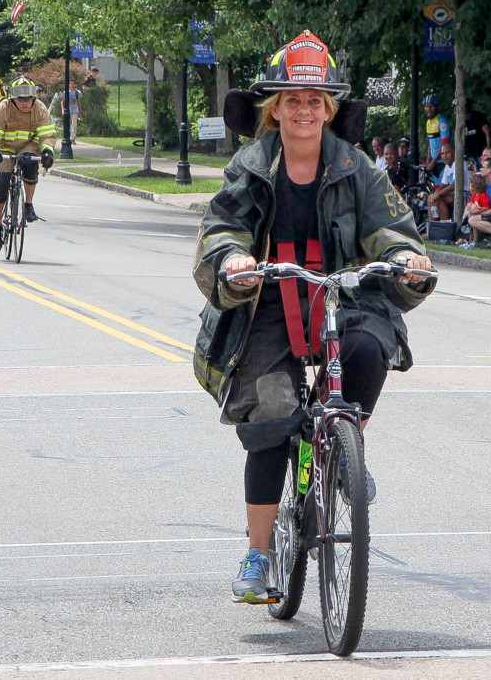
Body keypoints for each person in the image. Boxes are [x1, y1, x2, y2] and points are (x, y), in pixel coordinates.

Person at [191, 30, 435, 605]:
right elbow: (220, 229)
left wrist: (405, 261)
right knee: (272, 423)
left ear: (329, 110)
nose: (304, 111)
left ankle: (346, 446)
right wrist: (235, 261)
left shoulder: (359, 167)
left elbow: (393, 232)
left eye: (316, 101)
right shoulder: (251, 166)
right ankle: (257, 557)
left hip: (342, 295)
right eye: (293, 101)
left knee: (370, 349)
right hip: (268, 304)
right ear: (275, 109)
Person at [0, 75, 57, 250]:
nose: (25, 103)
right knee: (0, 184)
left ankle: (28, 205)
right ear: (12, 98)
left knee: (31, 165)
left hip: (27, 147)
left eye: (29, 99)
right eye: (21, 99)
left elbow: (47, 134)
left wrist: (47, 152)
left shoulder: (40, 109)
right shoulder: (2, 109)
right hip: (4, 149)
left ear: (34, 98)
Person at [426, 142, 470, 221]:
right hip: (453, 194)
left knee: (438, 199)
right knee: (431, 197)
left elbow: (455, 185)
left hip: (463, 194)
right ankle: (433, 224)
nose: (444, 156)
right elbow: (443, 184)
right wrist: (435, 193)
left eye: (447, 153)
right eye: (442, 154)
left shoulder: (459, 163)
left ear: (453, 152)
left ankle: (445, 225)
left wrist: (438, 194)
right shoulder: (447, 166)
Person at [454, 173, 491, 248]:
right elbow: (470, 203)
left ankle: (475, 241)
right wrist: (470, 206)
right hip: (474, 214)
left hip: (482, 215)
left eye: (470, 185)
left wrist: (479, 210)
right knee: (469, 223)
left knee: (473, 224)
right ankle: (469, 241)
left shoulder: (483, 196)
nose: (469, 187)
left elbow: (486, 207)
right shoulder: (474, 195)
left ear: (476, 186)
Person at [454, 98, 491, 167]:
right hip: (468, 154)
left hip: (480, 152)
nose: (455, 110)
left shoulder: (478, 116)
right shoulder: (459, 122)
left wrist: (487, 148)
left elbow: (487, 132)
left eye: (457, 107)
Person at [422, 93, 450, 178]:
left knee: (442, 189)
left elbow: (445, 145)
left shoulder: (442, 121)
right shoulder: (428, 122)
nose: (428, 109)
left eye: (431, 106)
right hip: (434, 162)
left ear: (437, 107)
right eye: (426, 106)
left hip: (443, 161)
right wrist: (428, 162)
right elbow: (430, 145)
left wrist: (432, 162)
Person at [60, 78, 84, 144]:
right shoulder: (66, 92)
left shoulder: (77, 92)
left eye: (73, 84)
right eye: (71, 84)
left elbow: (79, 102)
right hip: (68, 110)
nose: (72, 85)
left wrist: (80, 112)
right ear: (69, 84)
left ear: (75, 84)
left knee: (74, 125)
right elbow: (62, 102)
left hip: (75, 110)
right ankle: (66, 137)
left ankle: (72, 138)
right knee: (67, 125)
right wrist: (63, 110)